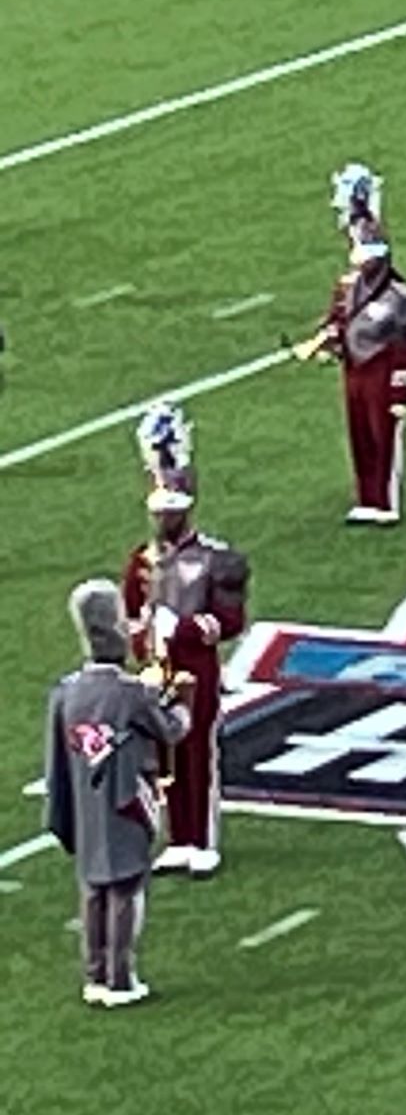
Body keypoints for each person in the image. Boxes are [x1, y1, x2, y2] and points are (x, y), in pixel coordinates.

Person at [46, 579, 190, 1008]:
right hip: (126, 802)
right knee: (126, 888)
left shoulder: (66, 691)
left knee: (92, 889)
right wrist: (182, 701)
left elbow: (56, 760)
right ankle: (121, 978)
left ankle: (94, 975)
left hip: (85, 804)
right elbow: (172, 729)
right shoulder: (130, 693)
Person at [122, 402, 247, 881]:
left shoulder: (215, 559)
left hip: (198, 668)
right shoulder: (141, 560)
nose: (163, 521)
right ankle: (178, 838)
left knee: (198, 752)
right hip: (158, 670)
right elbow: (130, 613)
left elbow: (230, 619)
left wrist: (186, 628)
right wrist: (145, 641)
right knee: (166, 757)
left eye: (171, 512)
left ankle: (203, 839)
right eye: (159, 512)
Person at [306, 162, 406, 525]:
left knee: (383, 435)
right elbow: (338, 323)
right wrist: (325, 342)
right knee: (360, 435)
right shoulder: (347, 287)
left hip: (383, 368)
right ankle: (366, 497)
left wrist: (401, 390)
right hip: (355, 369)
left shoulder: (399, 296)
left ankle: (386, 502)